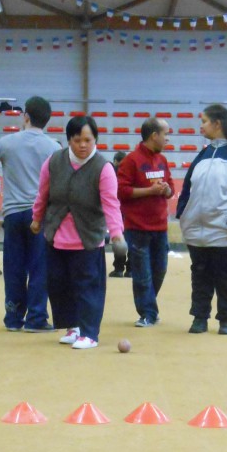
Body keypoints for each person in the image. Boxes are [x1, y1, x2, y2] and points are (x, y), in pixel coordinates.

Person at [31, 115, 124, 350]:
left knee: (87, 287)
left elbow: (111, 204)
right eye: (77, 140)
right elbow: (42, 194)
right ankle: (74, 327)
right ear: (69, 140)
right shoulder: (54, 162)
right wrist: (36, 218)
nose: (83, 145)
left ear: (95, 140)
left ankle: (90, 333)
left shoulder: (103, 168)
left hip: (87, 239)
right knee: (59, 285)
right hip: (56, 235)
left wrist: (117, 234)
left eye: (88, 140)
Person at [0, 96, 59, 332]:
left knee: (14, 267)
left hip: (12, 214)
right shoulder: (54, 147)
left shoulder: (8, 142)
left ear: (26, 116)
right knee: (40, 267)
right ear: (47, 120)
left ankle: (13, 317)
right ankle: (37, 318)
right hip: (40, 215)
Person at [176, 103, 227, 336]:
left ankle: (226, 319)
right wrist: (183, 213)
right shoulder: (203, 153)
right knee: (200, 276)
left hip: (226, 232)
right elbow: (189, 187)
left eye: (204, 121)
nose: (201, 126)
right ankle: (200, 318)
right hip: (198, 232)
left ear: (217, 124)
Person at [117, 117, 174, 327]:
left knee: (160, 270)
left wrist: (166, 190)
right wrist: (150, 190)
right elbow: (121, 191)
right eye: (166, 134)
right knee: (142, 274)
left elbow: (170, 189)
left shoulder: (163, 160)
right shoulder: (131, 160)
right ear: (154, 136)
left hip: (160, 227)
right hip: (137, 227)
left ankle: (149, 307)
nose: (168, 139)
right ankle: (147, 313)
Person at [109, 151, 131, 278]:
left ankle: (118, 268)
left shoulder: (112, 172)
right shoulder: (130, 172)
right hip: (130, 211)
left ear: (116, 161)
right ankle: (130, 269)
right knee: (131, 240)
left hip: (117, 211)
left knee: (118, 239)